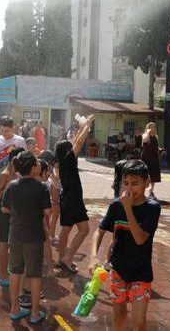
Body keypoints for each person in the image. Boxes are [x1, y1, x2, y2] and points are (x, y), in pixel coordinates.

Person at [89, 160, 161, 331]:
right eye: (126, 183)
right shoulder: (116, 205)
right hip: (118, 269)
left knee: (139, 322)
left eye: (135, 183)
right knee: (118, 316)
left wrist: (128, 209)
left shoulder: (152, 208)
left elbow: (140, 239)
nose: (130, 188)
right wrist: (93, 256)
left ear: (146, 182)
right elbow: (99, 231)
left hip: (141, 272)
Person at [1, 151, 51, 325]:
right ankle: (35, 313)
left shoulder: (12, 186)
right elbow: (47, 211)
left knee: (15, 272)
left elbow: (5, 209)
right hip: (34, 236)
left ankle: (14, 309)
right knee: (35, 275)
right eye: (37, 162)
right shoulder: (42, 187)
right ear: (33, 167)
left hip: (15, 235)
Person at [55, 114, 95, 274]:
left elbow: (76, 142)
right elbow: (78, 143)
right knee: (84, 230)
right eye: (70, 145)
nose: (73, 146)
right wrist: (87, 126)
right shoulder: (68, 158)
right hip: (73, 199)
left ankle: (61, 258)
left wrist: (81, 127)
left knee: (66, 229)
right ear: (67, 150)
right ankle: (67, 258)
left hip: (68, 198)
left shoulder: (64, 159)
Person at [0, 147, 25, 287]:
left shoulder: (17, 174)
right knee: (4, 243)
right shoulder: (5, 175)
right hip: (4, 213)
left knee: (12, 244)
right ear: (14, 160)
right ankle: (1, 273)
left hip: (13, 213)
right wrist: (9, 187)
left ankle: (7, 270)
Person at [140, 122, 161, 200]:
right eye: (151, 127)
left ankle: (151, 192)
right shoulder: (145, 135)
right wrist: (148, 134)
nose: (153, 128)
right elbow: (144, 144)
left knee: (153, 175)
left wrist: (159, 149)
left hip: (154, 158)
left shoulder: (156, 136)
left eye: (154, 127)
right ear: (147, 128)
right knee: (145, 175)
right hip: (146, 157)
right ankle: (141, 192)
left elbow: (155, 145)